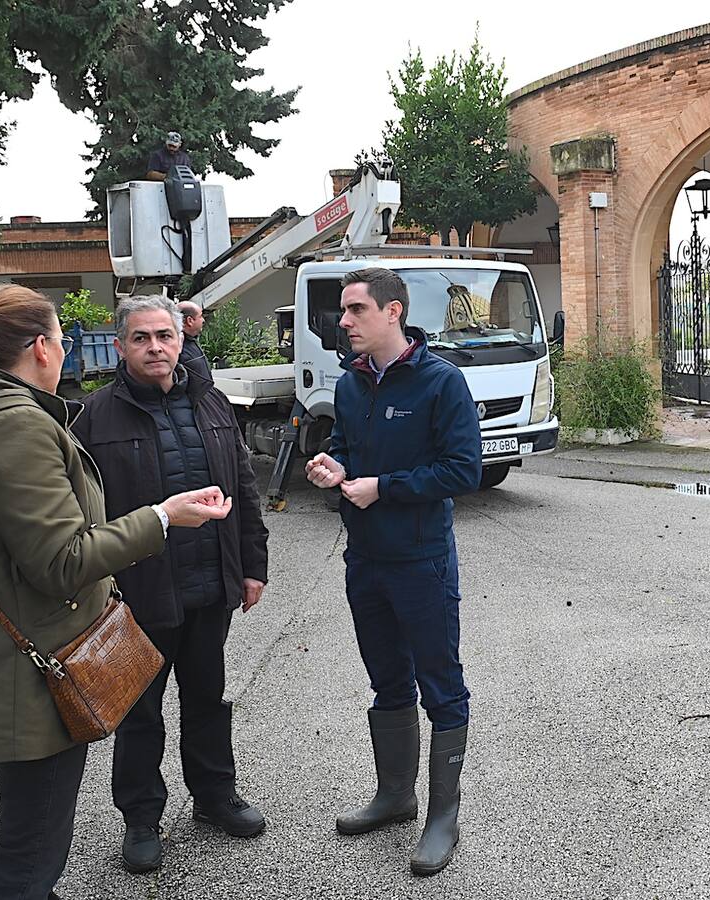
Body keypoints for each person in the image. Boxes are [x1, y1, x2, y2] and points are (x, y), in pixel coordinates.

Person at [0, 285, 230, 900]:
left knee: (29, 840)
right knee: (29, 856)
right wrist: (161, 517)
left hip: (8, 652)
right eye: (62, 338)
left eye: (169, 336)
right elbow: (59, 560)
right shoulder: (16, 426)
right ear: (43, 347)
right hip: (30, 669)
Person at [70, 295, 269, 873]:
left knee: (207, 699)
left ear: (180, 340)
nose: (155, 347)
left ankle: (214, 798)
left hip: (211, 586)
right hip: (140, 593)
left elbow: (245, 487)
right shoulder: (94, 418)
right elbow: (81, 513)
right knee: (140, 711)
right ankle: (141, 819)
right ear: (120, 345)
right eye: (141, 338)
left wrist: (252, 565)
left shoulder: (211, 402)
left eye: (165, 335)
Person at [305, 267, 481, 876]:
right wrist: (337, 466)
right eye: (344, 312)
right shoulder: (351, 386)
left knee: (441, 685)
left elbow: (463, 471)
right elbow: (354, 453)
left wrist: (384, 487)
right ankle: (395, 796)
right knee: (386, 681)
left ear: (393, 312)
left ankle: (442, 818)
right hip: (366, 560)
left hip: (422, 560)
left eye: (355, 310)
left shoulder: (441, 382)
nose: (344, 322)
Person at [177, 300, 213, 380]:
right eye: (200, 316)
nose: (203, 320)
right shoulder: (178, 348)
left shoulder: (190, 341)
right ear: (189, 321)